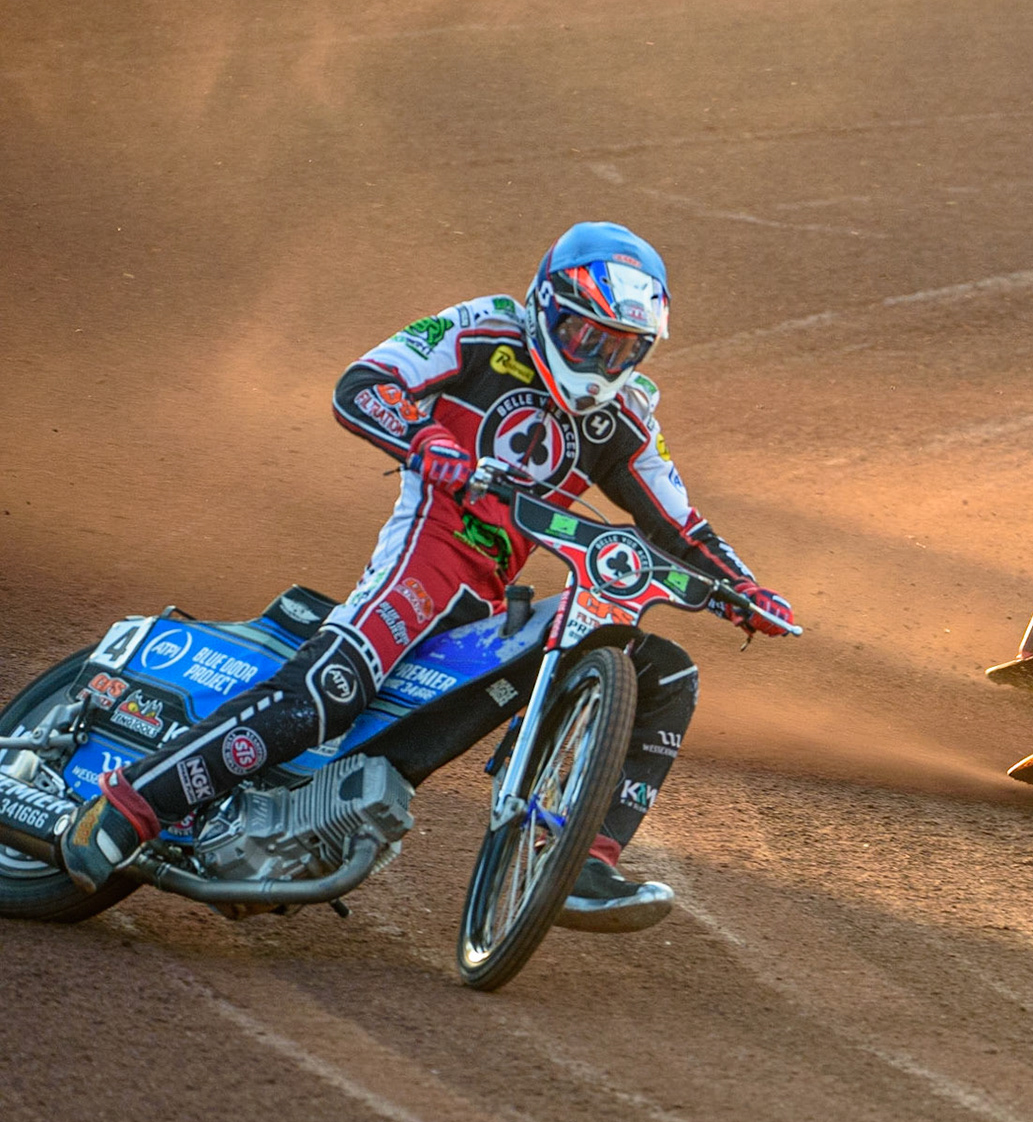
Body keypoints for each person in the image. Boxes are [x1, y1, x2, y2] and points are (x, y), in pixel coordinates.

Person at [58, 222, 794, 930]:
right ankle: (130, 808)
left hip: (491, 600)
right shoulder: (485, 328)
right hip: (425, 555)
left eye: (624, 348)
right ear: (547, 307)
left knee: (666, 673)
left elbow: (681, 525)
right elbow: (365, 382)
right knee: (330, 691)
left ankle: (577, 862)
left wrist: (747, 590)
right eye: (588, 338)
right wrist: (426, 437)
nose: (602, 362)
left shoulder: (625, 417)